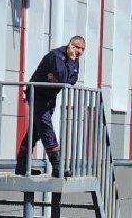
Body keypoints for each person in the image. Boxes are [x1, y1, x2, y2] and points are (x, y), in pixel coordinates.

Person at [14, 36, 86, 177]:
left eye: (83, 49)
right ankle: (57, 166)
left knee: (36, 131)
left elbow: (71, 80)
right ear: (70, 45)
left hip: (49, 97)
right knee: (46, 128)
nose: (80, 52)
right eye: (77, 47)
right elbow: (65, 79)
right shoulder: (57, 56)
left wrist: (61, 76)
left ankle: (21, 166)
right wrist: (65, 71)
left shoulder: (74, 60)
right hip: (37, 94)